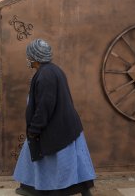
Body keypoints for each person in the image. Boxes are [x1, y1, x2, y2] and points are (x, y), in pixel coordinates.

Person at [13, 39, 96, 196]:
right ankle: (29, 187)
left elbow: (45, 105)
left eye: (29, 56)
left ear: (35, 57)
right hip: (65, 125)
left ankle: (42, 190)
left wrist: (35, 129)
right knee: (72, 160)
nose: (27, 59)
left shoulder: (45, 75)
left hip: (56, 127)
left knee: (59, 161)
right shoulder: (53, 70)